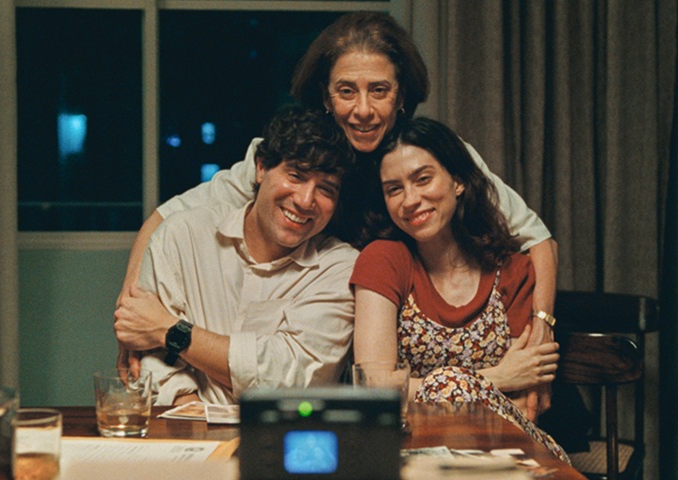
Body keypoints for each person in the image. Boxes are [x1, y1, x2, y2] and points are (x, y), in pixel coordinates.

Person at [115, 11, 558, 417]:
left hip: (407, 356)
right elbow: (166, 219)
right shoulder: (290, 153)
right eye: (346, 91)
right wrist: (133, 317)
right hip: (349, 362)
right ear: (325, 97)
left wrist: (541, 327)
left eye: (379, 90)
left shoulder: (431, 154)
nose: (363, 110)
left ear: (401, 95)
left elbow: (538, 240)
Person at [350, 117, 569, 463]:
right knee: (449, 381)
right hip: (412, 454)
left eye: (423, 179)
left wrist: (436, 390)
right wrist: (496, 377)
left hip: (504, 456)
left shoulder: (512, 269)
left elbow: (526, 406)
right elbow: (374, 385)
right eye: (394, 189)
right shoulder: (383, 261)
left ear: (459, 181)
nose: (410, 200)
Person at [113, 108, 357, 405]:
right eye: (296, 176)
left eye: (326, 190)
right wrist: (190, 412)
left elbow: (293, 377)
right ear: (261, 168)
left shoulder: (339, 268)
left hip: (285, 431)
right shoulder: (182, 236)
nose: (306, 201)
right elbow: (150, 357)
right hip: (182, 424)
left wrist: (170, 330)